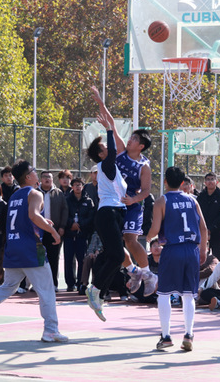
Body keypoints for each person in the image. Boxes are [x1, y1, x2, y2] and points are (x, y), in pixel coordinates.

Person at [0, 160, 68, 343]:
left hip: (13, 248)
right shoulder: (35, 193)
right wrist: (52, 231)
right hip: (31, 249)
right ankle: (51, 330)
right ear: (28, 177)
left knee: (7, 286)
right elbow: (33, 215)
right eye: (34, 171)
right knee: (46, 290)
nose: (36, 173)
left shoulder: (14, 196)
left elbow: (25, 219)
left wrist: (42, 223)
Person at [91, 86, 157, 298]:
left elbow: (146, 190)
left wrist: (134, 199)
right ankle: (132, 271)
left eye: (135, 139)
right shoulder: (120, 151)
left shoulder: (143, 166)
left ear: (141, 146)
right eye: (131, 137)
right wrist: (100, 102)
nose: (130, 140)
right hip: (115, 205)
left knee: (130, 240)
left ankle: (147, 274)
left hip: (131, 205)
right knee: (115, 247)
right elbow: (111, 124)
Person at [147, 166, 208, 352]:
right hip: (191, 249)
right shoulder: (192, 200)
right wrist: (203, 250)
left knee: (164, 293)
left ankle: (166, 336)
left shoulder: (162, 201)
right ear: (182, 182)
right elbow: (203, 228)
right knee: (189, 294)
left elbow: (155, 229)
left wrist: (147, 238)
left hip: (172, 249)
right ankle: (189, 334)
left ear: (165, 181)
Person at [85, 86, 128, 321]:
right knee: (118, 256)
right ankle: (95, 289)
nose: (108, 149)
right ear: (101, 154)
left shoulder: (113, 169)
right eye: (104, 148)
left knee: (113, 256)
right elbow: (112, 149)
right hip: (108, 213)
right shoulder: (106, 165)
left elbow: (114, 142)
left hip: (115, 213)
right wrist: (108, 131)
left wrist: (101, 103)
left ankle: (99, 292)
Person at [64, 177, 96, 292]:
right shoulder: (67, 200)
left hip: (82, 235)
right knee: (68, 260)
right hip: (69, 234)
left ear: (83, 186)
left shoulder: (88, 201)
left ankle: (81, 283)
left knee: (82, 260)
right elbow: (64, 214)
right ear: (72, 187)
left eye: (79, 185)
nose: (77, 187)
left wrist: (80, 225)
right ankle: (70, 284)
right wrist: (71, 224)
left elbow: (91, 217)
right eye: (75, 185)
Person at [38, 171, 68, 290]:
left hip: (53, 231)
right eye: (45, 177)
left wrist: (62, 226)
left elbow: (64, 210)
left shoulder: (58, 193)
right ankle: (39, 285)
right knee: (39, 258)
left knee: (53, 258)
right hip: (38, 231)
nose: (47, 179)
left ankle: (53, 284)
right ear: (41, 179)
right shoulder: (35, 192)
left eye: (49, 177)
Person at [197, 172, 220, 260]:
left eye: (212, 179)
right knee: (202, 257)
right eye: (208, 179)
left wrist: (211, 228)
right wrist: (204, 228)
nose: (210, 181)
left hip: (217, 232)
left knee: (217, 258)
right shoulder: (200, 196)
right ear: (205, 182)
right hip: (202, 231)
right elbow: (197, 213)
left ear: (216, 182)